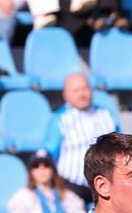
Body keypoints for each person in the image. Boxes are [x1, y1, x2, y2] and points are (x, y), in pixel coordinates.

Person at [44, 73, 120, 203]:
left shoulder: (106, 114)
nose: (81, 94)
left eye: (85, 88)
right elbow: (48, 154)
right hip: (71, 187)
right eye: (76, 90)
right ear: (65, 95)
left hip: (105, 186)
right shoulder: (60, 119)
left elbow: (120, 147)